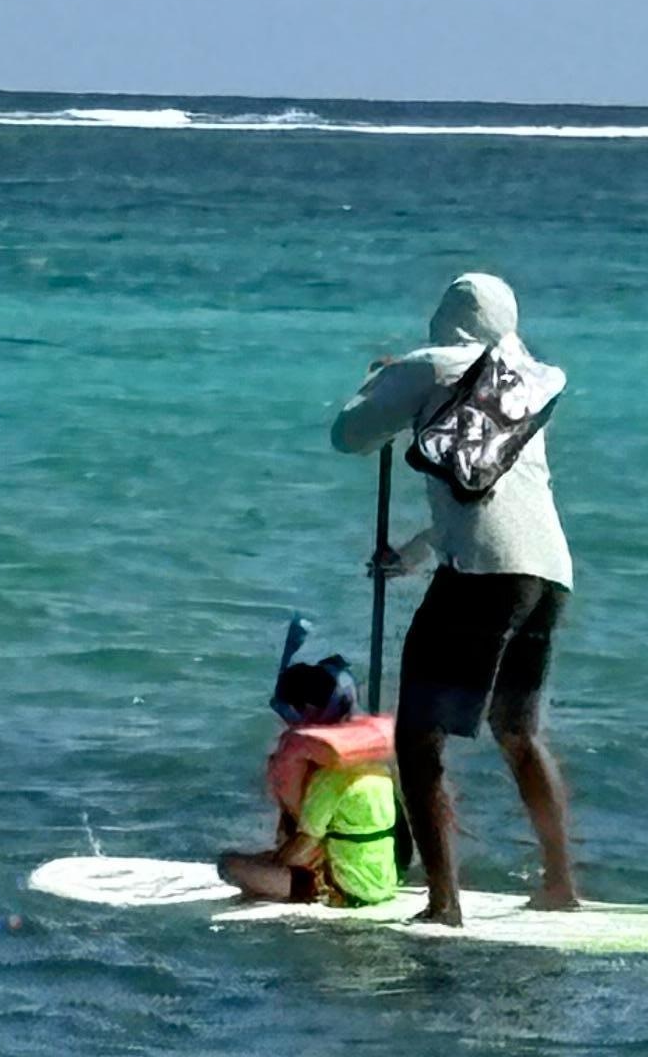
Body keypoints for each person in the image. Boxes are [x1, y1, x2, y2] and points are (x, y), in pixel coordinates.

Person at [331, 271, 580, 926]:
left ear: (447, 316)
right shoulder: (520, 384)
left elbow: (349, 435)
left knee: (418, 736)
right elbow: (486, 495)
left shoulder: (430, 365)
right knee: (518, 732)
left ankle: (443, 904)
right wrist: (412, 555)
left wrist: (380, 384)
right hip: (547, 574)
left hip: (481, 577)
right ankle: (560, 885)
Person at [219, 652, 402, 906]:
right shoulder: (377, 771)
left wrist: (276, 865)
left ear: (308, 710)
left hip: (341, 885)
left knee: (229, 866)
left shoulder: (328, 781)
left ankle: (309, 890)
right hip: (382, 879)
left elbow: (306, 842)